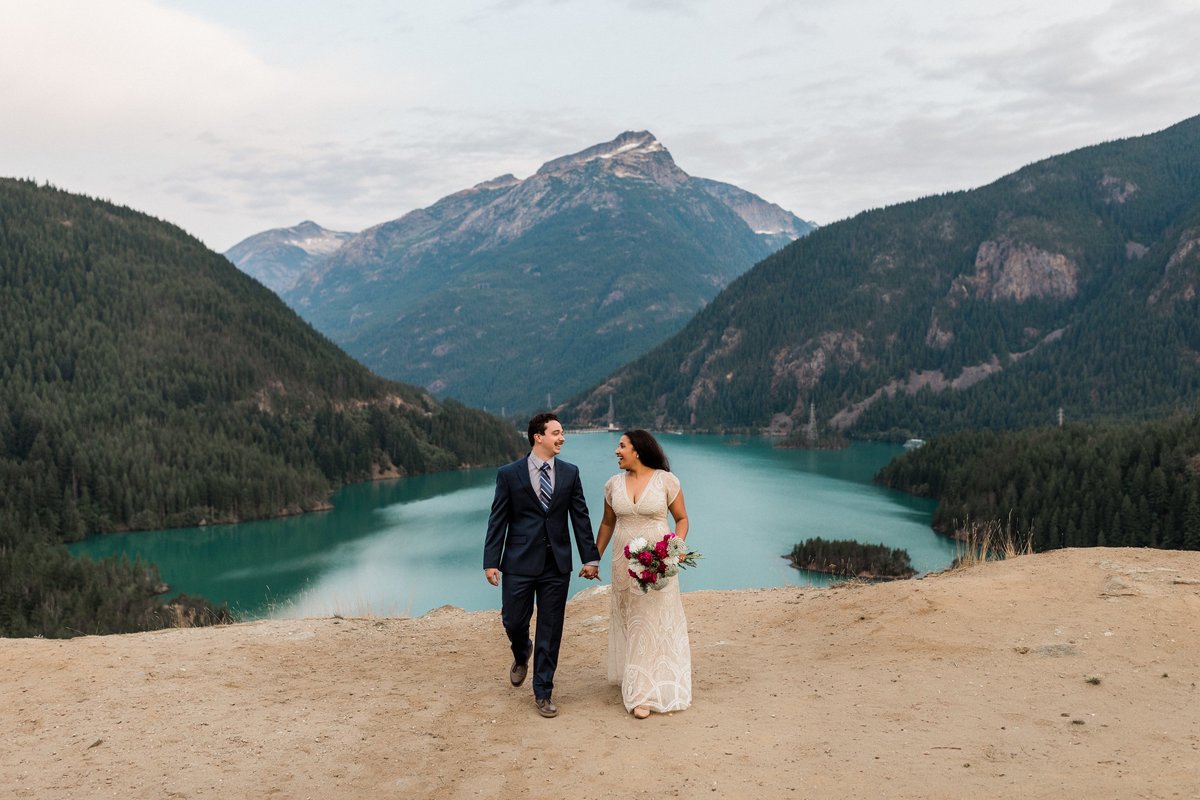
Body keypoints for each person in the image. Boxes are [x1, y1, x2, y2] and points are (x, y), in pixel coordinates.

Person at [484, 412, 600, 718]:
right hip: (519, 562)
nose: (562, 437)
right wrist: (491, 561)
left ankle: (543, 691)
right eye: (556, 433)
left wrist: (590, 556)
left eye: (562, 433)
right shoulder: (509, 474)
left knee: (551, 629)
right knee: (512, 620)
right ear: (538, 436)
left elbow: (580, 517)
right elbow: (498, 519)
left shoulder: (570, 473)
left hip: (556, 564)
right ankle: (521, 651)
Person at [595, 429, 692, 719]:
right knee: (631, 619)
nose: (616, 451)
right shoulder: (613, 485)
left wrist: (677, 546)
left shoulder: (666, 481)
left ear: (637, 450)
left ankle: (643, 694)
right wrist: (592, 559)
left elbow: (682, 519)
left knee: (655, 619)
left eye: (621, 446)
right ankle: (637, 678)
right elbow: (607, 524)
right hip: (623, 561)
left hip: (658, 559)